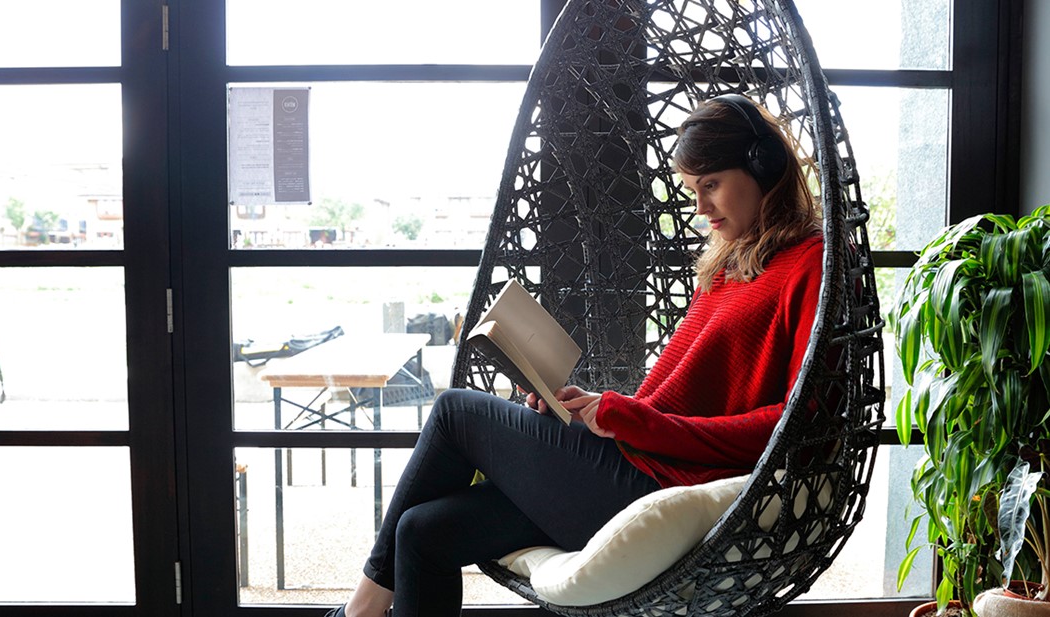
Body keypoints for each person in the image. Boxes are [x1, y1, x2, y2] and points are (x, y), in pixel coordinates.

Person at [325, 94, 823, 617]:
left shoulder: (810, 265)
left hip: (657, 483)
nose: (700, 208)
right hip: (636, 464)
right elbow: (674, 405)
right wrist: (593, 412)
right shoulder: (728, 267)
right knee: (423, 531)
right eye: (693, 190)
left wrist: (632, 420)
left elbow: (797, 426)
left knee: (454, 411)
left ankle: (358, 613)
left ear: (762, 164)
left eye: (711, 185)